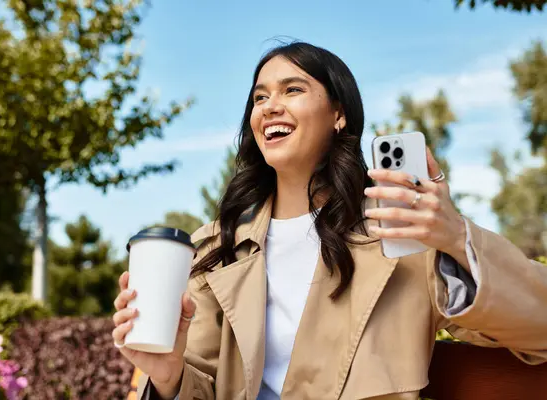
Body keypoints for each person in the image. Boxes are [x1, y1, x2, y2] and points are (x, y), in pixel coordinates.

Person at [112, 41, 547, 400]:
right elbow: (200, 386)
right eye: (259, 97)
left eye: (292, 90)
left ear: (338, 114)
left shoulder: (402, 238)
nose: (270, 107)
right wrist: (168, 377)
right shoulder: (215, 247)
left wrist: (456, 238)